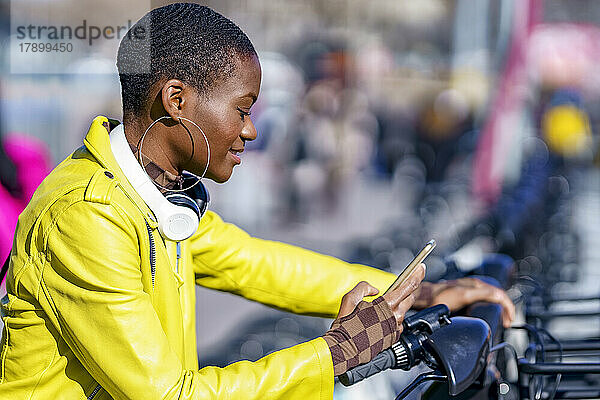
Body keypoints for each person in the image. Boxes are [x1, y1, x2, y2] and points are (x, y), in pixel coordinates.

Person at [0, 4, 514, 399]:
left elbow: (253, 263)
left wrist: (420, 294)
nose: (250, 129)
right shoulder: (88, 216)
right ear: (176, 102)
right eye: (243, 109)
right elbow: (170, 394)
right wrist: (335, 355)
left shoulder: (150, 191)